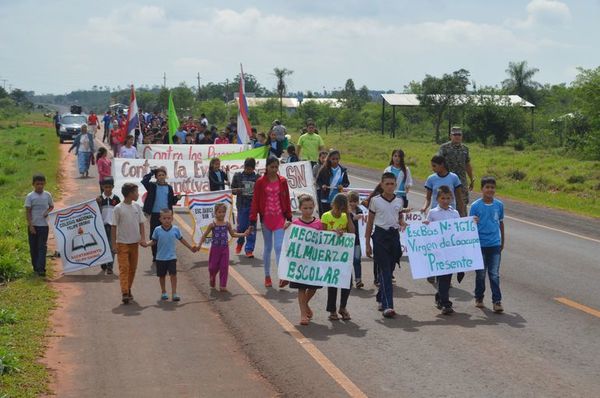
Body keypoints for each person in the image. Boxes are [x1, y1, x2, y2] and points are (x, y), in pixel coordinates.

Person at [365, 172, 407, 318]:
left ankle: (381, 297)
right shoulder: (375, 201)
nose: (390, 186)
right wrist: (367, 243)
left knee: (390, 268)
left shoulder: (399, 201)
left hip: (394, 237)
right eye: (387, 184)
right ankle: (388, 305)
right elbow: (370, 222)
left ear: (396, 185)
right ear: (382, 185)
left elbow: (399, 216)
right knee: (385, 272)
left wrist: (402, 223)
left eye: (392, 184)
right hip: (380, 237)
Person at [249, 157, 293, 288]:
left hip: (280, 218)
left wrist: (289, 216)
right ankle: (267, 276)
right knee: (268, 247)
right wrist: (252, 219)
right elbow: (255, 201)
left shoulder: (283, 181)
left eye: (276, 167)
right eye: (272, 167)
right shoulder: (260, 182)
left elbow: (287, 199)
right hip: (266, 219)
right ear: (267, 167)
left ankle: (282, 276)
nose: (274, 169)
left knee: (279, 247)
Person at [470, 176, 505, 313]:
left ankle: (497, 301)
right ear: (482, 189)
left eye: (492, 187)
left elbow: (501, 223)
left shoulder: (499, 205)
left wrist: (502, 241)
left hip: (495, 244)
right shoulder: (475, 206)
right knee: (480, 274)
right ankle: (479, 297)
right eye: (487, 187)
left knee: (494, 274)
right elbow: (470, 225)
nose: (490, 190)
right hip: (480, 245)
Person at [424, 186, 460, 315]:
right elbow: (427, 228)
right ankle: (446, 303)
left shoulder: (454, 213)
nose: (445, 201)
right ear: (437, 199)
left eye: (448, 198)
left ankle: (440, 297)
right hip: (438, 249)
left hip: (450, 250)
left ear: (451, 198)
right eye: (442, 198)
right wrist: (426, 225)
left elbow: (459, 230)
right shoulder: (433, 212)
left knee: (447, 277)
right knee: (442, 276)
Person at [145, 209, 195, 301]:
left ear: (172, 218)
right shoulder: (157, 230)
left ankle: (174, 293)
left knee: (173, 275)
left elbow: (181, 239)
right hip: (160, 258)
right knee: (162, 276)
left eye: (169, 218)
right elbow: (154, 241)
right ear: (160, 219)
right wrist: (146, 244)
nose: (167, 220)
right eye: (164, 218)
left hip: (171, 257)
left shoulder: (175, 229)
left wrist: (190, 247)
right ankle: (164, 292)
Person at [198, 203, 249, 292]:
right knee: (212, 267)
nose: (221, 214)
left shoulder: (227, 224)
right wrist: (199, 245)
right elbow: (204, 235)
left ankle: (223, 285)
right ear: (215, 213)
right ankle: (212, 277)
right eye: (219, 212)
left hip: (225, 248)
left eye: (223, 212)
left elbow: (233, 234)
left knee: (224, 267)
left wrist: (243, 234)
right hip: (215, 249)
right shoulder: (212, 225)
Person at [290, 194, 323, 325]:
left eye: (310, 208)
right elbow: (290, 241)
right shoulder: (295, 223)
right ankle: (303, 314)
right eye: (305, 208)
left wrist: (337, 233)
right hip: (300, 261)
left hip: (314, 260)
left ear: (314, 207)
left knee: (313, 287)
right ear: (300, 208)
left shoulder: (318, 223)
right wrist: (286, 227)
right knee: (301, 288)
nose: (308, 211)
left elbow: (325, 239)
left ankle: (306, 304)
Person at [321, 193, 354, 321]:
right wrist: (333, 232)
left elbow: (352, 232)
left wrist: (349, 216)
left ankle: (343, 307)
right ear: (333, 205)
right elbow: (323, 233)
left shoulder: (345, 216)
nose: (339, 211)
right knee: (333, 283)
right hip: (330, 255)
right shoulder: (326, 216)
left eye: (342, 209)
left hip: (343, 255)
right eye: (337, 208)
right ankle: (332, 310)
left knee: (347, 282)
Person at [112, 183, 146, 304]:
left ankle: (128, 288)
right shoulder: (118, 208)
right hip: (122, 244)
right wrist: (114, 244)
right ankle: (125, 292)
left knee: (132, 268)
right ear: (130, 194)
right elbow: (114, 227)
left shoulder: (137, 207)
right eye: (136, 192)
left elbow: (142, 223)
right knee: (124, 268)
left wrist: (143, 238)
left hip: (134, 244)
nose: (137, 194)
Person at [142, 166, 180, 264]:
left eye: (163, 175)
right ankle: (155, 255)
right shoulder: (152, 186)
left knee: (166, 235)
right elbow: (144, 181)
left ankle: (165, 254)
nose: (161, 177)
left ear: (165, 176)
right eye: (159, 175)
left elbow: (171, 201)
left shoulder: (169, 187)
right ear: (156, 177)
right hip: (155, 214)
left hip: (166, 215)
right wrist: (152, 172)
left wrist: (177, 198)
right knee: (154, 235)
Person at [439, 126, 474, 216]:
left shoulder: (465, 149)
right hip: (448, 181)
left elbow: (467, 164)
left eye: (459, 134)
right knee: (446, 203)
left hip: (461, 182)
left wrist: (471, 179)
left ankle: (462, 225)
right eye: (455, 134)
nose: (457, 136)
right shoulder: (444, 148)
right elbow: (439, 164)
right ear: (451, 136)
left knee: (462, 205)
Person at [25, 174, 54, 277]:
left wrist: (47, 211)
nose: (40, 186)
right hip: (33, 226)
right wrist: (31, 225)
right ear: (33, 184)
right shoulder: (30, 196)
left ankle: (41, 268)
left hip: (44, 226)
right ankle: (35, 267)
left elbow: (51, 206)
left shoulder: (47, 195)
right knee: (33, 247)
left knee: (42, 247)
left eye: (42, 184)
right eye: (37, 184)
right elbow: (28, 212)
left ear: (45, 184)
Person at [231, 158, 259, 258]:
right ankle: (240, 242)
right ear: (244, 166)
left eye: (251, 169)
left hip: (253, 207)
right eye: (247, 168)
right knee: (241, 227)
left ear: (254, 168)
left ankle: (249, 249)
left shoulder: (257, 178)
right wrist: (237, 190)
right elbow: (232, 189)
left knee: (252, 228)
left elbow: (262, 191)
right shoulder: (238, 176)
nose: (248, 170)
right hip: (242, 205)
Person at [97, 177, 120, 275]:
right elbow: (95, 212)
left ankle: (110, 266)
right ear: (102, 187)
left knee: (112, 246)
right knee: (102, 245)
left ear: (113, 187)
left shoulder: (116, 199)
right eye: (106, 187)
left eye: (110, 187)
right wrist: (97, 204)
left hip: (113, 226)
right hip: (102, 225)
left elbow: (119, 212)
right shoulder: (99, 199)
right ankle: (103, 262)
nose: (107, 189)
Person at [316, 150, 350, 216]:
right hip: (325, 197)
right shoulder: (324, 169)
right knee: (325, 216)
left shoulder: (342, 170)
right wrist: (322, 185)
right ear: (329, 159)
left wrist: (342, 185)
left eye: (337, 159)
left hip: (337, 198)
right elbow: (318, 180)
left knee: (336, 216)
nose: (335, 161)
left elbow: (346, 183)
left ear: (339, 159)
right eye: (333, 159)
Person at [347, 191, 364, 288]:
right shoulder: (345, 212)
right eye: (350, 201)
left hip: (358, 240)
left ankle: (358, 279)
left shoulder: (361, 211)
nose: (352, 203)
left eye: (354, 201)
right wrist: (353, 218)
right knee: (348, 261)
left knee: (357, 260)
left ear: (357, 202)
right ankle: (348, 280)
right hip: (348, 240)